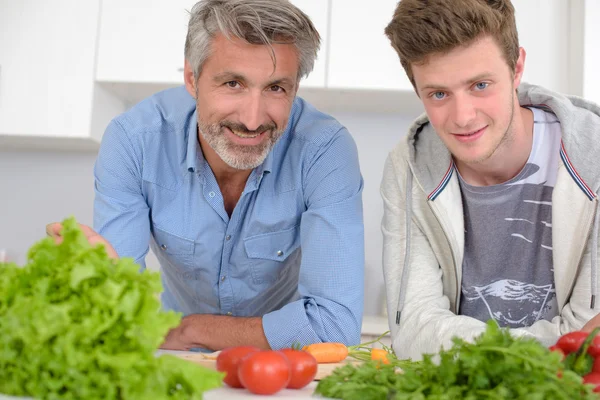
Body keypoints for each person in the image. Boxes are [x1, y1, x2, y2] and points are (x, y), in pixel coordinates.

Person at [47, 0, 365, 351]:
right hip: (173, 359)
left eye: (276, 88)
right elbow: (118, 312)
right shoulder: (134, 141)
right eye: (233, 83)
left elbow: (335, 328)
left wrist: (190, 331)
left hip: (278, 366)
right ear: (191, 78)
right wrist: (101, 284)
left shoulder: (324, 150)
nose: (253, 119)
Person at [380, 0, 600, 360]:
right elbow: (415, 332)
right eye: (438, 94)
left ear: (517, 69)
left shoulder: (594, 157)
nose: (463, 117)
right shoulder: (409, 166)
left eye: (480, 85)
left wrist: (454, 343)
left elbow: (588, 343)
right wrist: (553, 345)